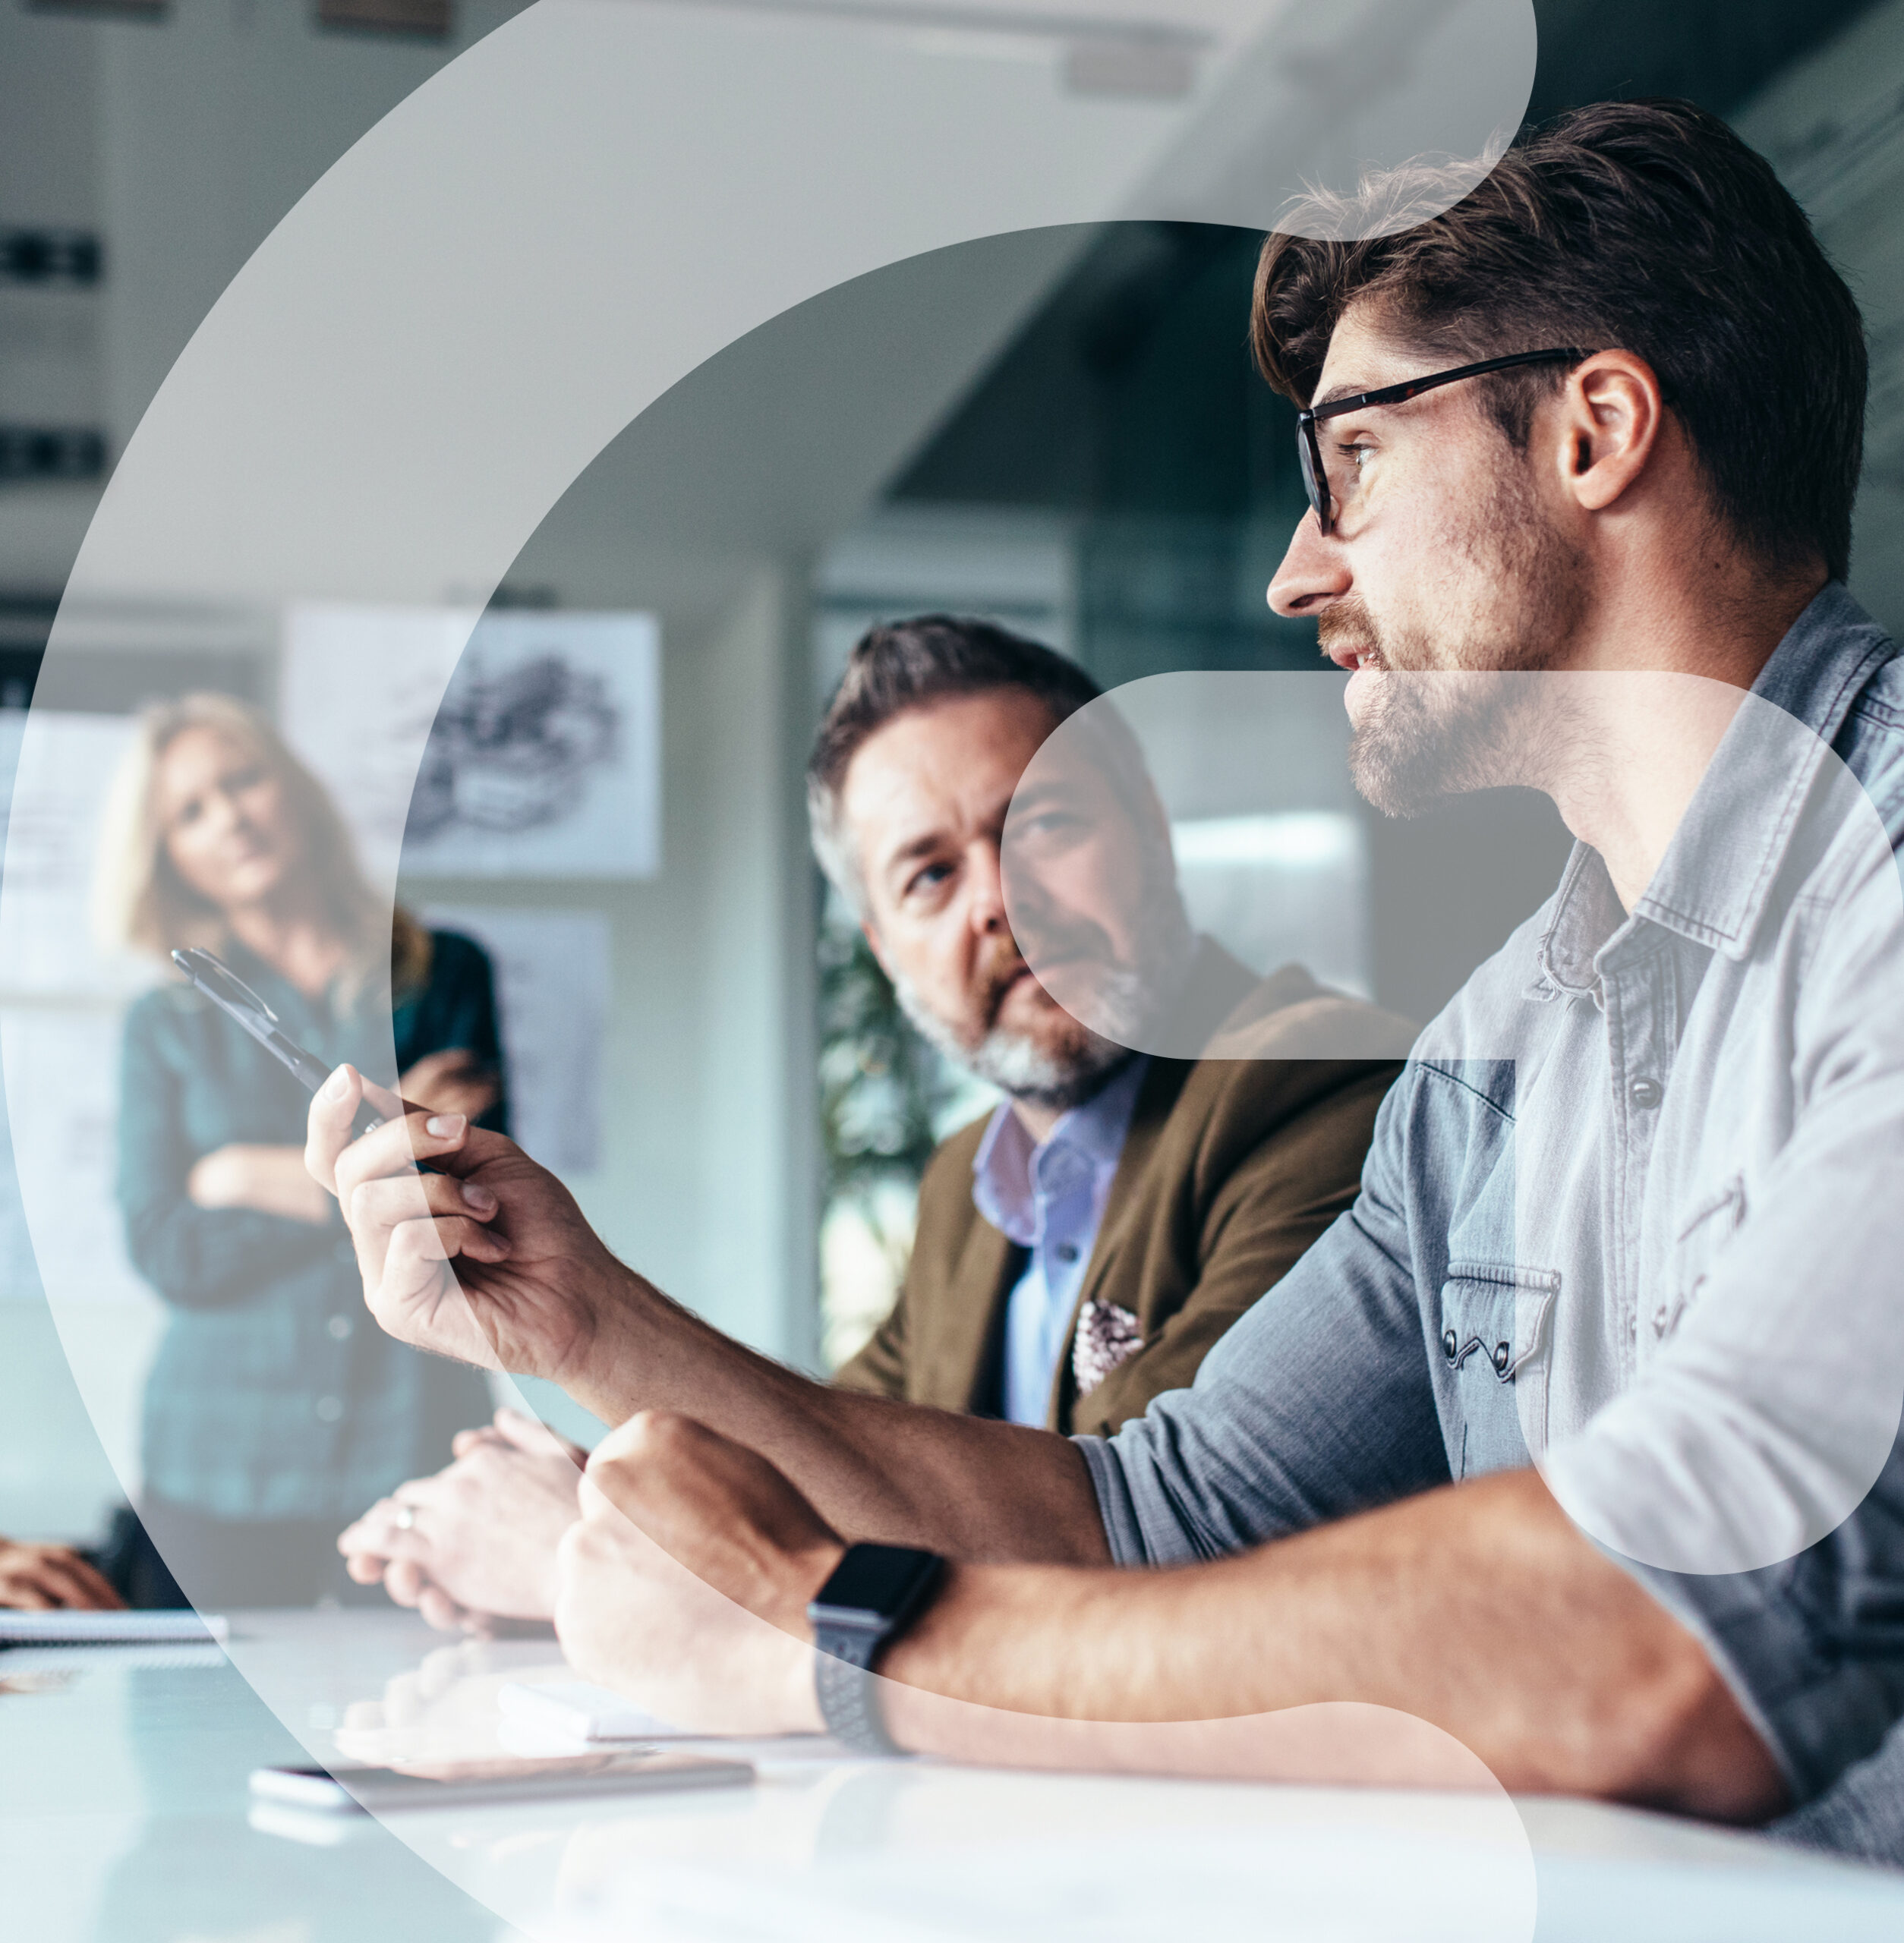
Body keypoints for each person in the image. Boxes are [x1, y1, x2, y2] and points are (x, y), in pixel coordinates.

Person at [310, 101, 1904, 1841]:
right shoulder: (1501, 1047)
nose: (1297, 568)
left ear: (1594, 428)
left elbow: (1685, 1621)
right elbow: (1145, 1513)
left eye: (1349, 462)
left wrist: (836, 1640)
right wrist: (583, 1314)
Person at [336, 619, 1411, 1628]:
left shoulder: (1319, 1080)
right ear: (885, 947)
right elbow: (836, 1469)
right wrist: (621, 1488)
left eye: (1045, 822)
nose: (998, 900)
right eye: (931, 875)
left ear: (1150, 827)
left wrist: (587, 1547)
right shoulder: (968, 1186)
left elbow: (1132, 1545)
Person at [99, 694, 506, 1608]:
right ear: (168, 854)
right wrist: (371, 1174)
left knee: (421, 1725)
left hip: (412, 1440)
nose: (230, 817)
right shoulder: (163, 1026)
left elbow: (465, 1206)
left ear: (294, 792)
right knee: (201, 1739)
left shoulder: (447, 975)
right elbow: (168, 1246)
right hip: (219, 1458)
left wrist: (239, 1175)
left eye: (243, 781)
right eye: (191, 811)